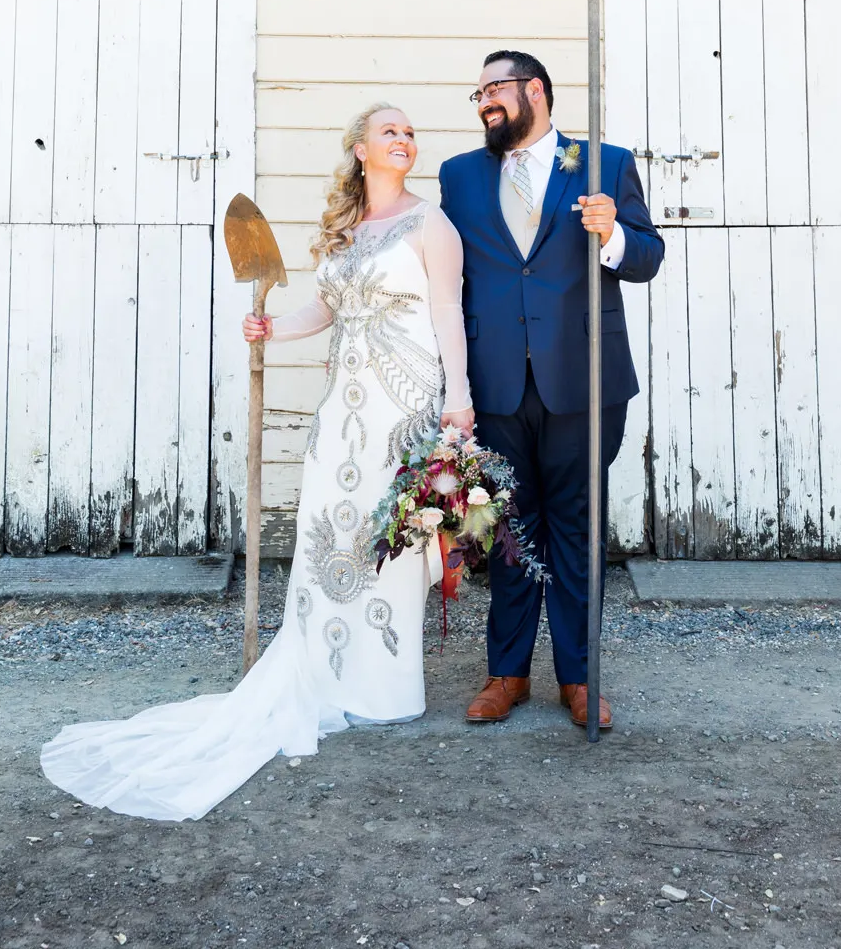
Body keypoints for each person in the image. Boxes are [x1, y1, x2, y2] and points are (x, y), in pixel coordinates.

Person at [40, 104, 472, 820]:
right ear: (360, 149)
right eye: (389, 130)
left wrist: (457, 401)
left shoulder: (433, 225)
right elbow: (324, 312)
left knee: (388, 545)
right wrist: (271, 326)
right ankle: (327, 678)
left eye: (409, 131)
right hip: (342, 411)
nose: (404, 139)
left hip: (407, 403)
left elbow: (448, 315)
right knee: (329, 537)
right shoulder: (346, 232)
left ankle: (386, 687)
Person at [439, 51, 664, 731]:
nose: (484, 102)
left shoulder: (606, 164)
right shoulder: (458, 176)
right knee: (509, 533)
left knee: (575, 531)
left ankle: (579, 678)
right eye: (476, 91)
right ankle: (504, 674)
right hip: (496, 382)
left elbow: (648, 258)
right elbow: (449, 276)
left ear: (534, 90)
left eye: (494, 88)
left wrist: (612, 233)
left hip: (583, 382)